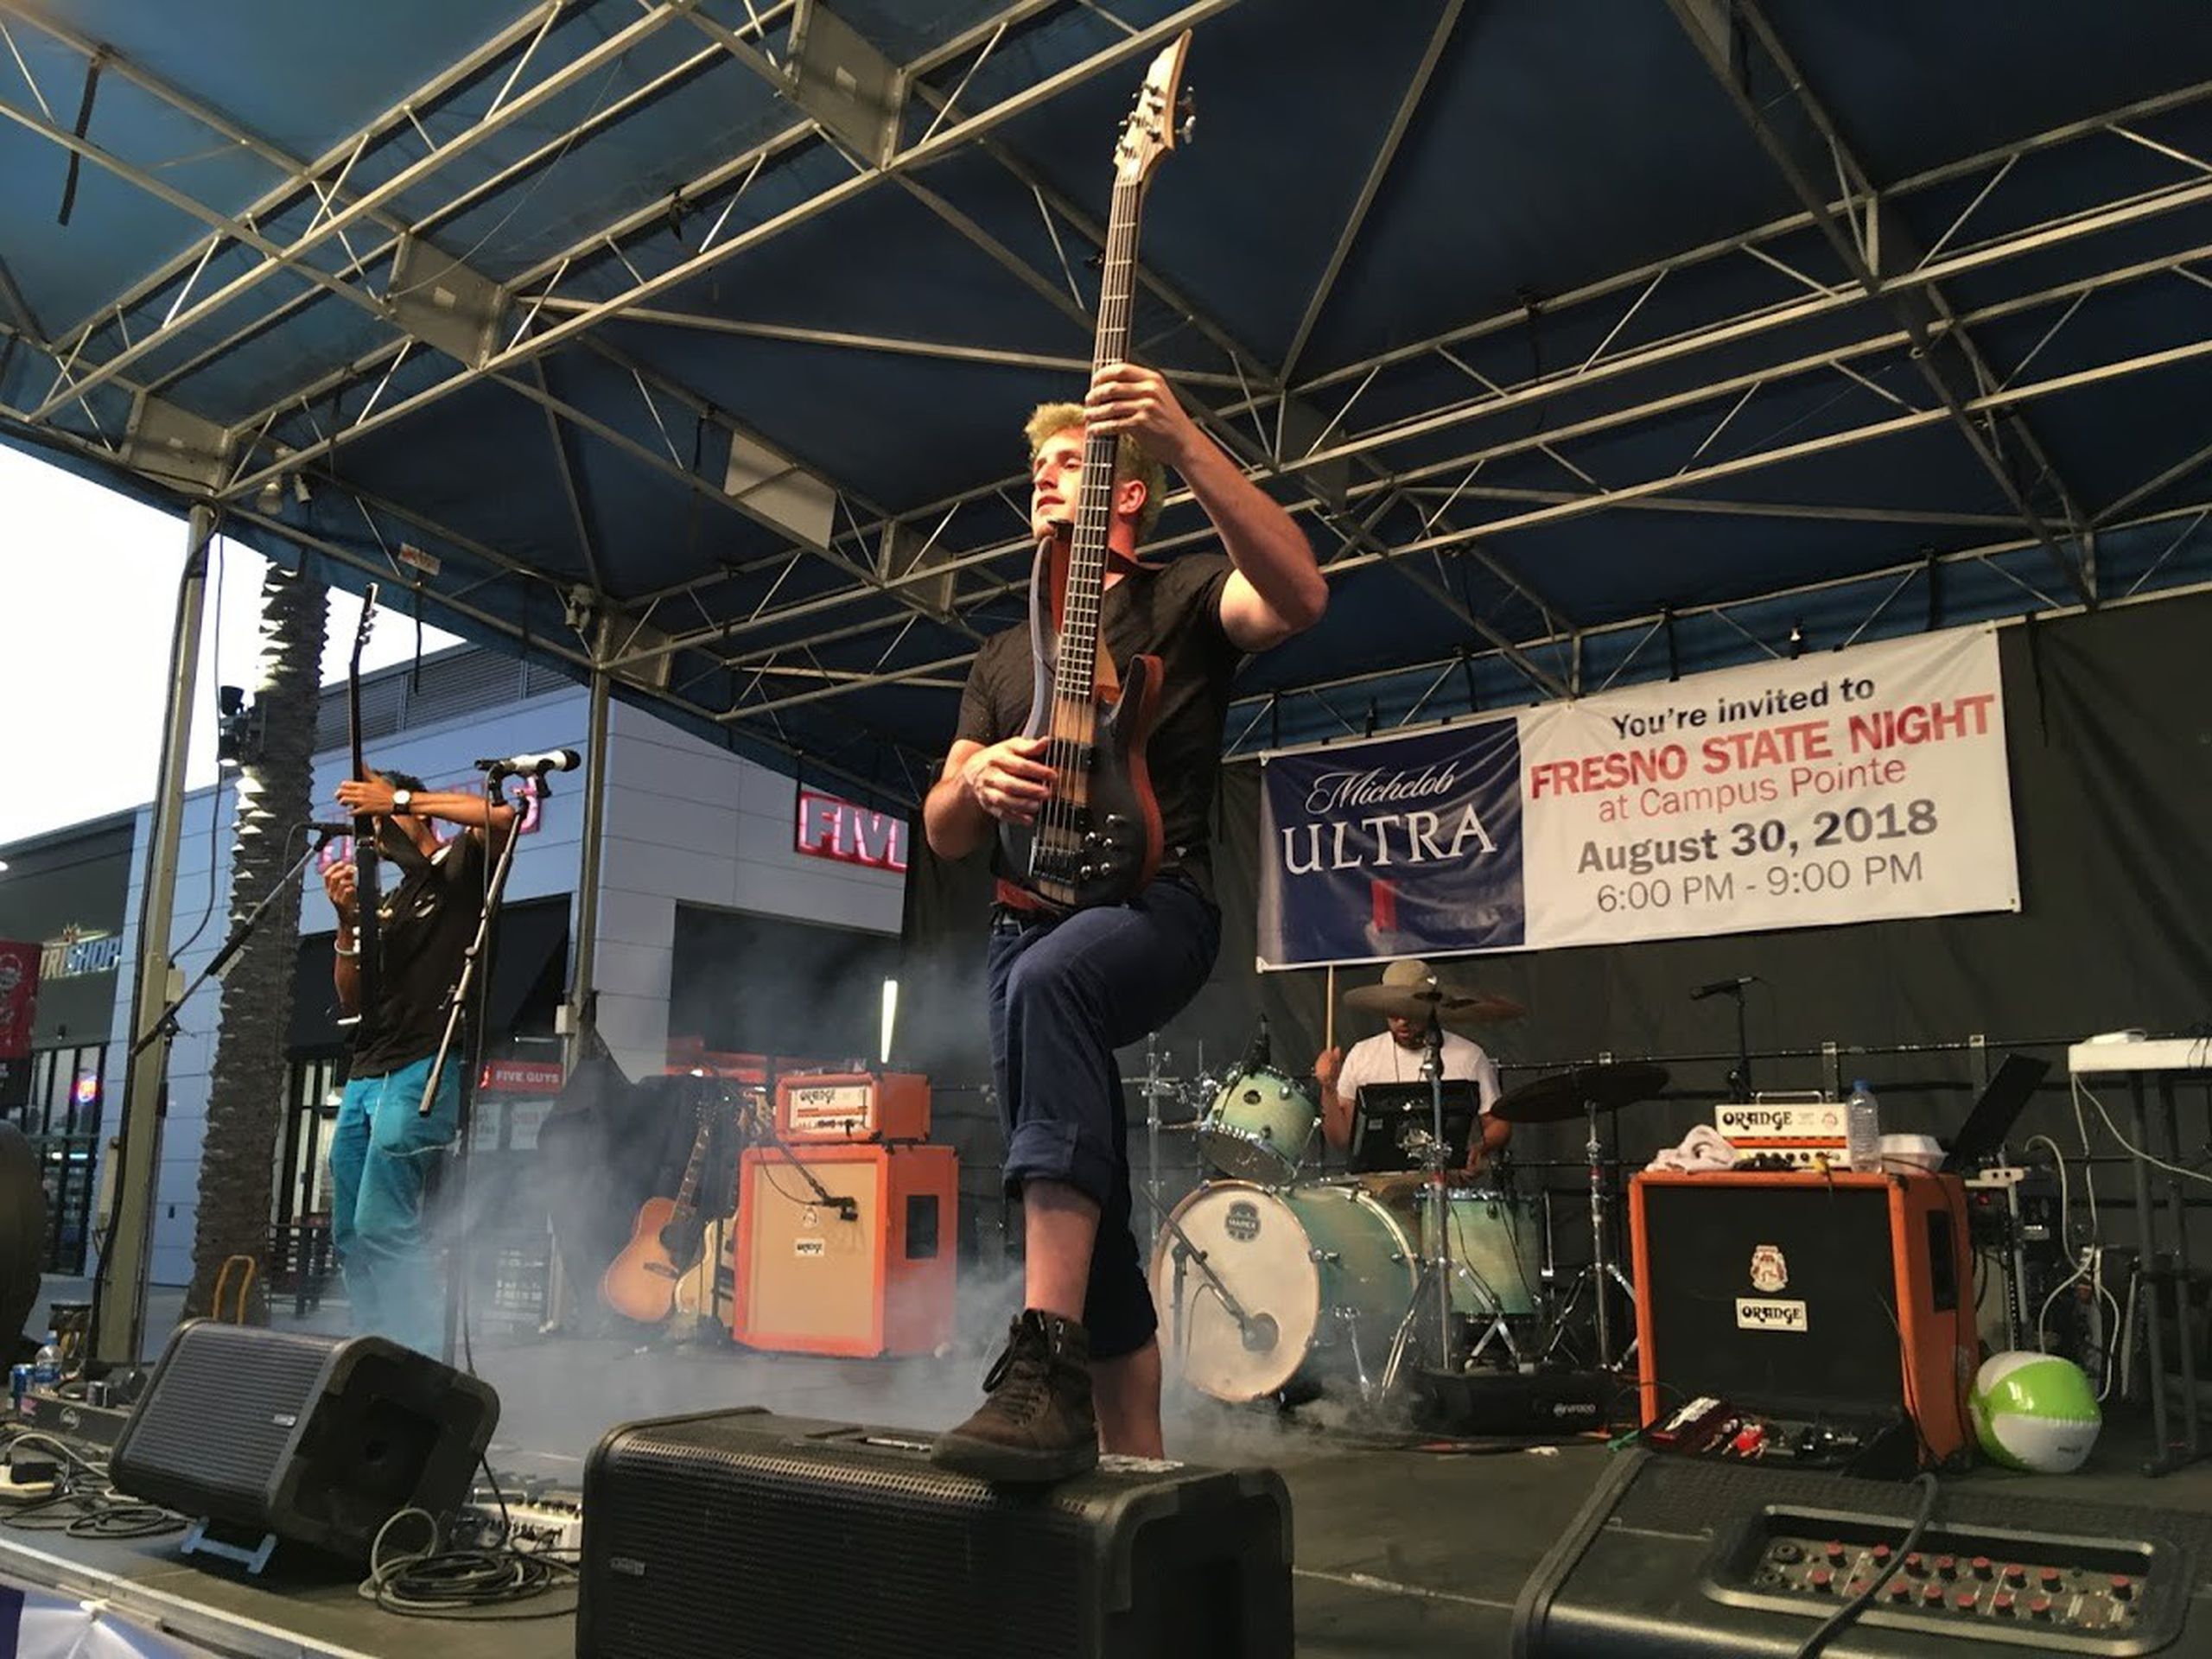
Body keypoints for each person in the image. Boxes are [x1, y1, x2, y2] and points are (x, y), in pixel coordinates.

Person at [925, 362, 1327, 1482]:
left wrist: (1189, 442)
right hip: (1023, 931)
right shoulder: (1003, 659)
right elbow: (944, 827)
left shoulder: (1188, 596)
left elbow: (1300, 597)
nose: (1045, 485)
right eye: (1038, 471)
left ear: (1125, 489)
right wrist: (981, 781)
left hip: (1160, 904)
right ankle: (1134, 1474)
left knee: (1055, 988)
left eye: (1068, 465)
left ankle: (1042, 1356)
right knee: (1076, 1182)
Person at [321, 768, 515, 1355]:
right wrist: (347, 921)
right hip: (366, 1070)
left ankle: (420, 1363)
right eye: (370, 826)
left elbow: (503, 819)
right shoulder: (393, 900)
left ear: (416, 816)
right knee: (350, 1234)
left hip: (424, 1064)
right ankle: (370, 1354)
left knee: (383, 1224)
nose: (375, 834)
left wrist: (397, 797)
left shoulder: (460, 870)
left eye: (381, 821)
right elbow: (352, 998)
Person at [1315, 958, 1510, 1178]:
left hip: (1444, 1186)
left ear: (1429, 1006)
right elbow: (1342, 1140)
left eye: (1409, 1010)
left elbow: (1498, 1123)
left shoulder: (1469, 1056)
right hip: (1377, 1191)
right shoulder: (1363, 1055)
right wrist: (1328, 1089)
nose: (1401, 1020)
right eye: (1392, 1011)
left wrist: (1480, 1148)